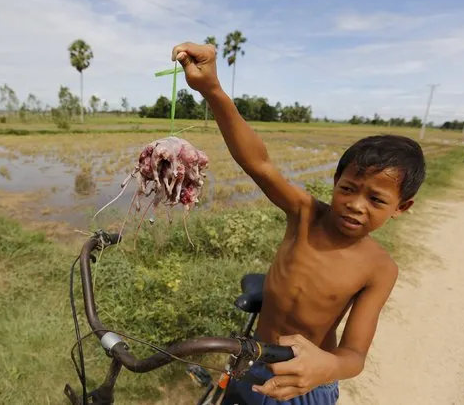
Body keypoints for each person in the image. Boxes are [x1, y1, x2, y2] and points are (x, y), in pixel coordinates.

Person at [170, 42, 426, 404]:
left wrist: (326, 368)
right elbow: (259, 163)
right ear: (336, 182)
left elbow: (354, 355)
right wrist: (212, 89)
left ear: (401, 207)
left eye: (376, 199)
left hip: (305, 380)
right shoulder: (305, 213)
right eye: (348, 189)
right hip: (253, 358)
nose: (355, 205)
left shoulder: (380, 268)